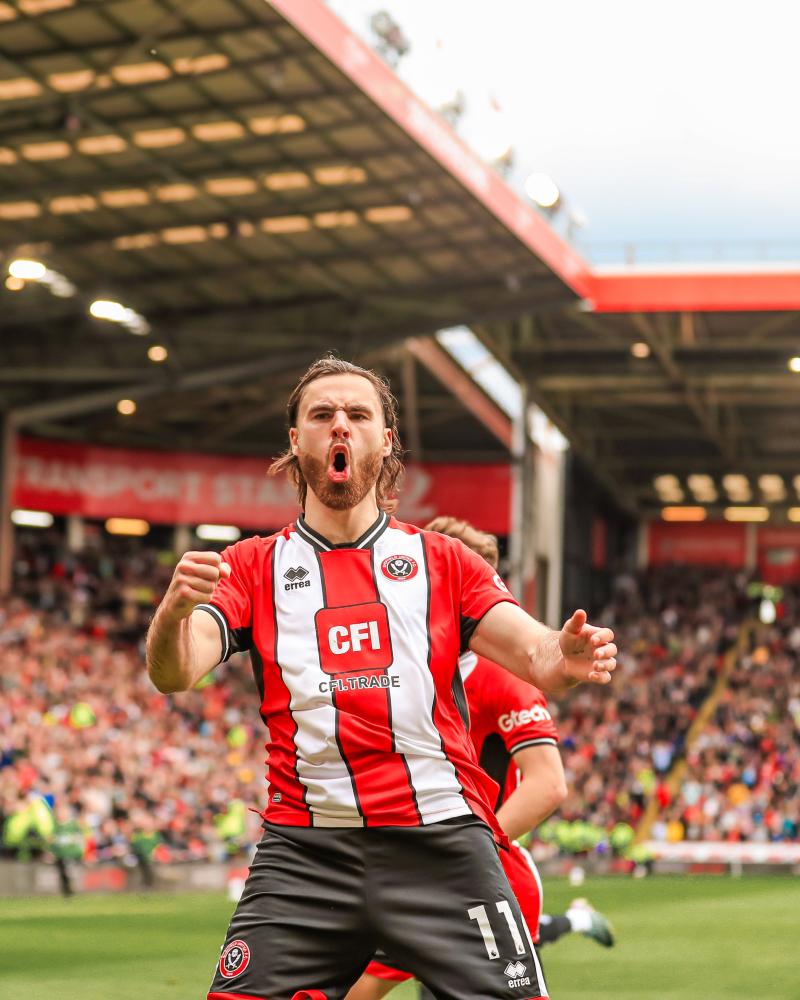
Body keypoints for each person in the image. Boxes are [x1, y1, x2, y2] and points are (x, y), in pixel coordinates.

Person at [145, 357, 617, 1000]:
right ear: (296, 439)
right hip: (305, 854)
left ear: (386, 439)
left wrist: (565, 656)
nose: (340, 426)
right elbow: (176, 671)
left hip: (442, 846)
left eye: (358, 414)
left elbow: (535, 655)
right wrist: (173, 613)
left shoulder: (445, 562)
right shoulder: (250, 566)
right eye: (322, 415)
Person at [347, 518, 614, 1000]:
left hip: (477, 886)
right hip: (416, 881)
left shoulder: (500, 679)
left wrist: (462, 853)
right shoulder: (401, 675)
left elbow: (548, 785)